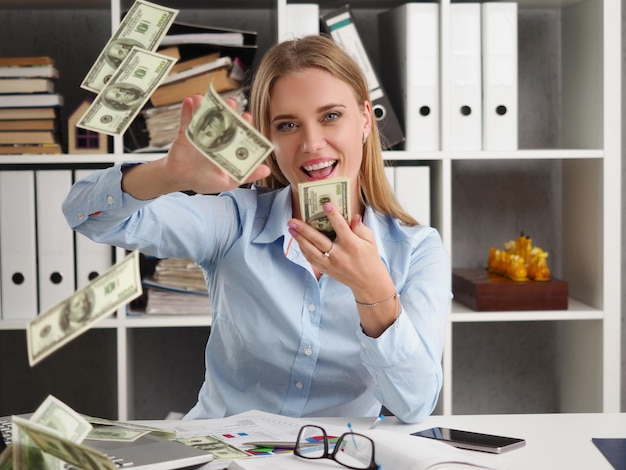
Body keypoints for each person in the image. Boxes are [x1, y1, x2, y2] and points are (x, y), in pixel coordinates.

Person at [63, 35, 451, 424]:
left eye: (331, 116)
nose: (312, 143)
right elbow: (84, 213)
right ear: (269, 139)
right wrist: (167, 174)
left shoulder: (417, 250)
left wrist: (373, 291)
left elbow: (415, 404)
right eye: (288, 125)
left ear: (365, 120)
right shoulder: (235, 222)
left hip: (332, 457)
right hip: (223, 455)